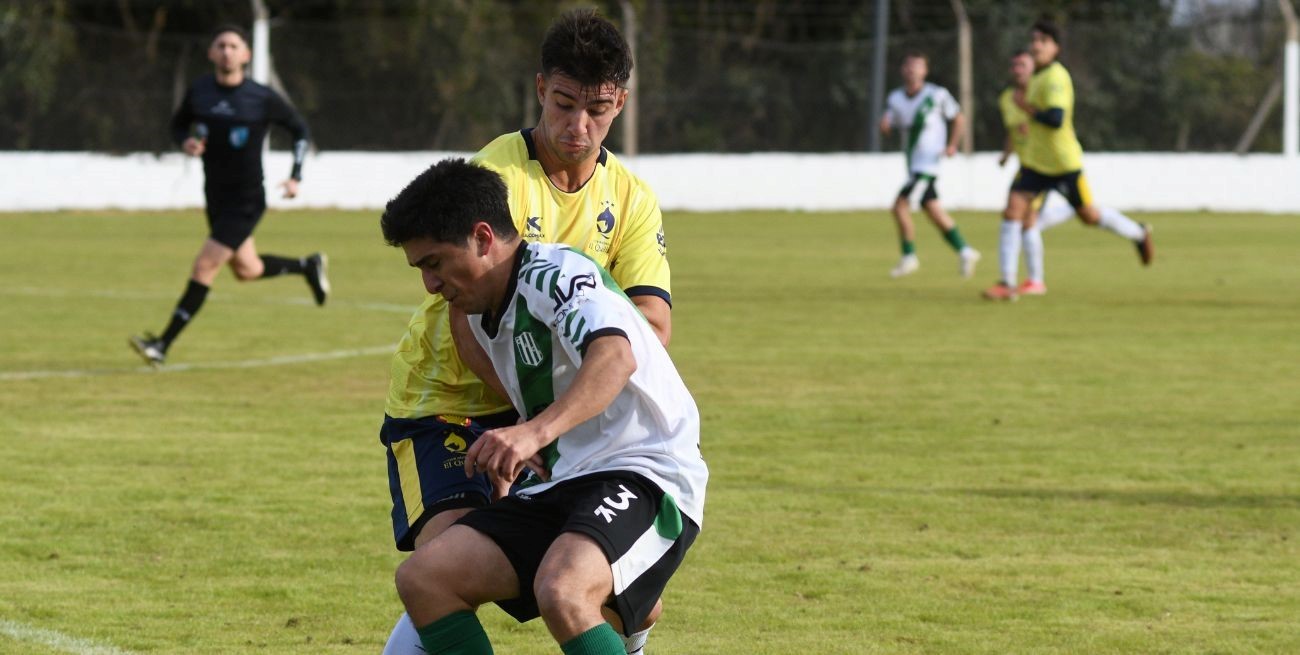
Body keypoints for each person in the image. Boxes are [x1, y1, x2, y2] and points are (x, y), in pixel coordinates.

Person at [379, 10, 670, 654]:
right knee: (447, 564)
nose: (578, 126)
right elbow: (467, 324)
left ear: (619, 101)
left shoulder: (630, 198)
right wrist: (534, 425)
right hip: (449, 405)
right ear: (541, 89)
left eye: (596, 109)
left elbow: (649, 326)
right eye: (564, 104)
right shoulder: (498, 180)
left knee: (628, 595)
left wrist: (552, 427)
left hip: (551, 418)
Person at [381, 158, 707, 655]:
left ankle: (625, 602)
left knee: (563, 590)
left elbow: (616, 356)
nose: (429, 283)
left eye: (435, 262)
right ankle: (627, 606)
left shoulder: (555, 273)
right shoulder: (475, 312)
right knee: (426, 578)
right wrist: (524, 447)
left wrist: (533, 433)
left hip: (645, 470)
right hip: (566, 479)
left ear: (484, 238)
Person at [129, 24, 328, 366]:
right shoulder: (200, 91)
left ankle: (161, 344)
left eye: (234, 46)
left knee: (204, 266)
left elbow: (299, 130)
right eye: (220, 45)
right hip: (216, 197)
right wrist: (185, 142)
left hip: (247, 199)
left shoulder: (260, 97)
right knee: (247, 269)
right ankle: (306, 266)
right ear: (210, 53)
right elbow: (177, 125)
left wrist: (295, 176)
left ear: (246, 55)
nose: (226, 51)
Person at [984, 20, 1153, 301]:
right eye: (1034, 39)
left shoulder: (1055, 78)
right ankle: (1007, 283)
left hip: (1064, 164)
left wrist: (1027, 107)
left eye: (1043, 40)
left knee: (1089, 215)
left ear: (1055, 48)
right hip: (1035, 165)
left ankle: (1137, 233)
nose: (1036, 44)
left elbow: (1055, 119)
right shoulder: (1033, 79)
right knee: (1013, 212)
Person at [878, 51, 980, 279]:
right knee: (933, 209)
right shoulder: (895, 98)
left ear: (925, 71)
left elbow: (958, 118)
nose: (913, 70)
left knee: (899, 206)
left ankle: (909, 256)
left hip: (928, 165)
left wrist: (953, 145)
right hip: (913, 164)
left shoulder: (937, 95)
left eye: (918, 66)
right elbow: (889, 121)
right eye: (909, 65)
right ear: (903, 69)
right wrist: (884, 125)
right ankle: (965, 251)